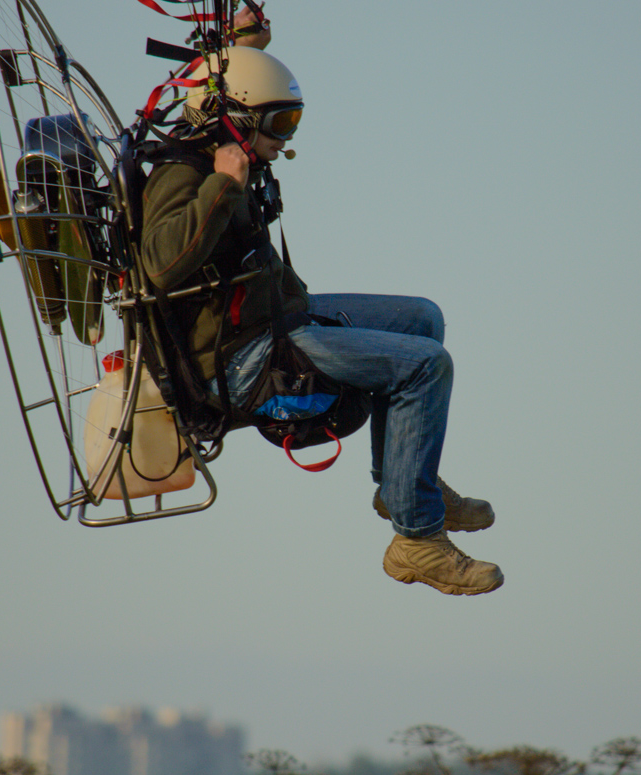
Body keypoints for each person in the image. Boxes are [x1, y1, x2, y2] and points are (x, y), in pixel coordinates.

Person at [139, 40, 503, 596]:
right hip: (238, 357)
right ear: (233, 118)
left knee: (422, 319)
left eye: (293, 121)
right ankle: (417, 538)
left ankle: (402, 487)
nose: (286, 138)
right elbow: (161, 264)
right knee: (426, 366)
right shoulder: (183, 173)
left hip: (272, 318)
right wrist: (224, 186)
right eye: (278, 122)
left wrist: (243, 37)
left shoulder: (230, 158)